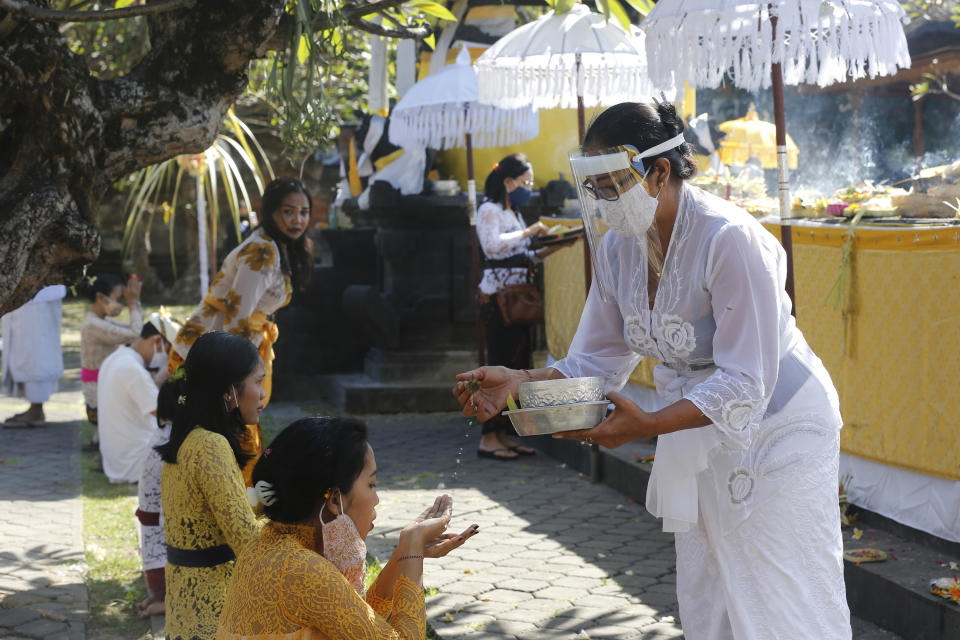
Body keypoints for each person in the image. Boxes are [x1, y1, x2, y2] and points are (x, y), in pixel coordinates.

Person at [454, 102, 851, 639]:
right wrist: (521, 385)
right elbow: (594, 361)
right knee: (710, 591)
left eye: (610, 183)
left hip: (779, 427)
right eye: (592, 187)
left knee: (779, 591)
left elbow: (744, 382)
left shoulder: (729, 238)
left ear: (658, 171)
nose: (599, 200)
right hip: (694, 429)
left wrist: (647, 425)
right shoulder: (617, 248)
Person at [217, 416, 479, 639]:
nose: (376, 498)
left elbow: (358, 620)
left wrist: (404, 554)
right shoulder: (301, 568)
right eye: (372, 484)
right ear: (334, 500)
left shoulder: (269, 544)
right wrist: (411, 544)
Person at [169, 176, 313, 483]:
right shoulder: (263, 250)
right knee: (230, 445)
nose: (297, 219)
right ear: (270, 212)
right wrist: (244, 376)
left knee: (234, 443)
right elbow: (237, 317)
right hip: (210, 358)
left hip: (220, 354)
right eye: (288, 211)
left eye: (303, 212)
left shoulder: (277, 245)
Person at [158, 331, 264, 640]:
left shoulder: (189, 437)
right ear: (230, 390)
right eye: (257, 382)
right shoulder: (210, 446)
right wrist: (296, 518)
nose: (262, 394)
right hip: (212, 615)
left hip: (184, 610)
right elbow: (248, 542)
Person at [474, 154, 572, 461]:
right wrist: (529, 232)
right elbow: (493, 246)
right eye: (525, 182)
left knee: (517, 366)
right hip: (497, 297)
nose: (528, 187)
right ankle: (489, 436)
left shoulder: (512, 212)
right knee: (499, 364)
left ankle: (507, 433)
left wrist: (555, 245)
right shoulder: (489, 210)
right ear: (508, 182)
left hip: (518, 295)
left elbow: (523, 254)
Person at [98, 311, 180, 484]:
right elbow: (165, 416)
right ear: (157, 341)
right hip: (134, 463)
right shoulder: (133, 370)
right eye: (168, 352)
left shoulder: (116, 358)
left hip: (121, 460)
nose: (168, 359)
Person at [79, 273, 143, 448]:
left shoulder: (100, 321)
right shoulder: (93, 325)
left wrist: (135, 304)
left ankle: (97, 442)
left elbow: (136, 331)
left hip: (102, 381)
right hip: (97, 386)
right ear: (100, 297)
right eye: (117, 299)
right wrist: (133, 304)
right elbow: (136, 334)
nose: (119, 304)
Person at [135, 378, 177, 618]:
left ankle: (158, 597)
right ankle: (163, 602)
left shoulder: (162, 434)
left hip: (153, 549)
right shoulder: (175, 442)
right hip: (163, 553)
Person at [2, 285, 66, 428]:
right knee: (24, 348)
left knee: (35, 350)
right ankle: (34, 407)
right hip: (25, 292)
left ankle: (36, 410)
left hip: (38, 293)